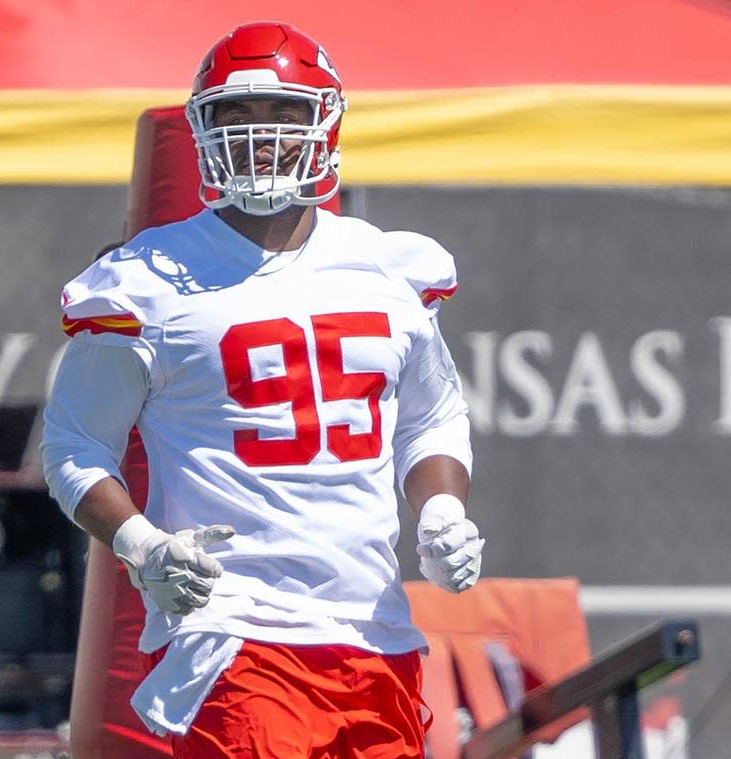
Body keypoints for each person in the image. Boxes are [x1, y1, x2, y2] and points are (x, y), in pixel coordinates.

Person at [42, 21, 483, 758]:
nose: (259, 136)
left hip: (374, 627)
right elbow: (75, 446)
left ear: (325, 120)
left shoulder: (388, 266)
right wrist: (143, 544)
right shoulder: (149, 277)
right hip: (233, 630)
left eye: (281, 114)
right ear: (202, 128)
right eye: (235, 117)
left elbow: (432, 416)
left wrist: (440, 509)